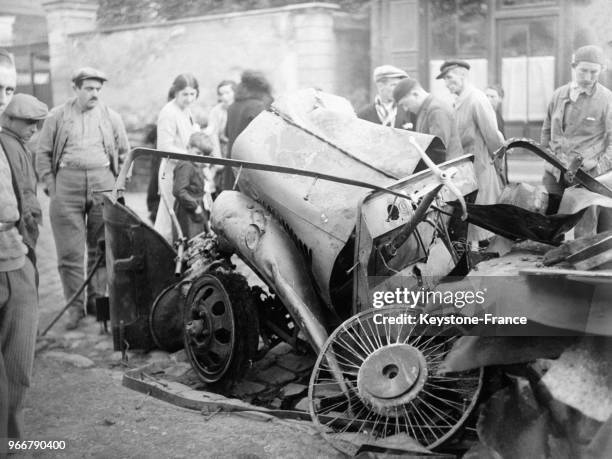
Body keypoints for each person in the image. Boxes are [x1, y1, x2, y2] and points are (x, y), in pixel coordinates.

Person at [36, 67, 130, 329]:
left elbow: (125, 154)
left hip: (103, 184)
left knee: (101, 249)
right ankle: (75, 310)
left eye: (98, 89)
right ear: (75, 88)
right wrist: (53, 187)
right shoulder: (57, 117)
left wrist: (118, 185)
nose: (94, 94)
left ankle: (98, 305)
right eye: (89, 88)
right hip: (67, 185)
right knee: (69, 253)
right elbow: (42, 154)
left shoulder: (112, 117)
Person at [0, 48, 39, 448]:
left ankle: (13, 447)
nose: (1, 97)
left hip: (13, 254)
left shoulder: (8, 143)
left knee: (17, 370)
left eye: (8, 88)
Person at [541, 45, 612, 231]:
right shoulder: (558, 95)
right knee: (551, 225)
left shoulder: (607, 99)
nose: (588, 77)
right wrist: (548, 159)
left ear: (601, 70)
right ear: (573, 67)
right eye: (583, 71)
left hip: (587, 177)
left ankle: (585, 259)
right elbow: (546, 131)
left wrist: (598, 168)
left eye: (593, 72)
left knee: (585, 229)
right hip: (555, 173)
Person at [438, 59, 504, 245]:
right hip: (466, 169)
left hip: (481, 166)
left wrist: (496, 162)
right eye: (444, 79)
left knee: (484, 218)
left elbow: (492, 135)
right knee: (471, 217)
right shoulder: (459, 101)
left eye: (450, 77)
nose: (447, 83)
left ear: (463, 75)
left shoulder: (476, 99)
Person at [0, 93, 48, 260]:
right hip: (21, 225)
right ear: (9, 119)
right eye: (29, 122)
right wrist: (26, 229)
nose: (34, 129)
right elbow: (19, 192)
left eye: (37, 123)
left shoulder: (16, 142)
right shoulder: (8, 146)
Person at [154, 74, 201, 243]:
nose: (189, 99)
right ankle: (161, 251)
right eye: (185, 94)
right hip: (171, 170)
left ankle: (180, 251)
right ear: (176, 92)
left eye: (192, 94)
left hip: (185, 169)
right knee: (169, 214)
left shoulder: (187, 111)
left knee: (182, 214)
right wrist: (191, 156)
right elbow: (164, 147)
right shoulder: (168, 112)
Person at [392, 77, 463, 162]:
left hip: (448, 170)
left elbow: (438, 150)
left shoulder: (436, 110)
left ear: (415, 94)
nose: (405, 109)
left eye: (405, 104)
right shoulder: (426, 109)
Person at [225, 70, 273, 189]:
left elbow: (226, 133)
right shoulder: (258, 106)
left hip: (231, 164)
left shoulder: (232, 106)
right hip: (248, 167)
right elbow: (266, 138)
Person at [173, 132, 216, 239]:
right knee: (190, 239)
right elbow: (179, 191)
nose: (201, 158)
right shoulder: (186, 165)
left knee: (201, 238)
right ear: (188, 148)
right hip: (188, 210)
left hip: (199, 208)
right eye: (198, 153)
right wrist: (194, 206)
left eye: (205, 156)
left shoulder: (196, 165)